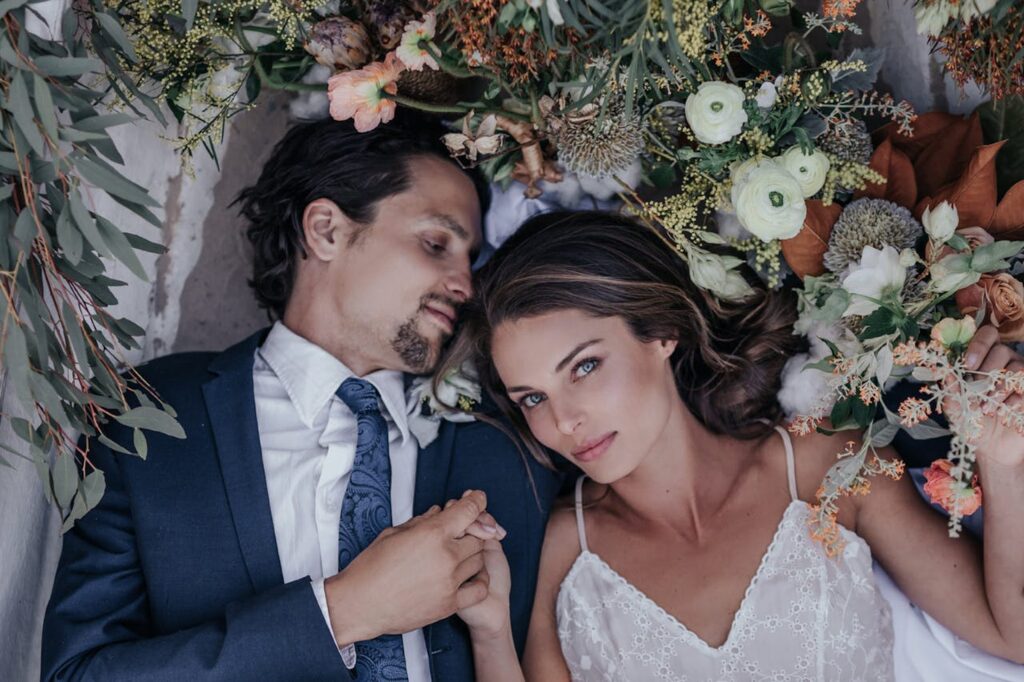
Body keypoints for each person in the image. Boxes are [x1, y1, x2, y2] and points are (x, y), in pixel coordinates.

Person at [40, 114, 562, 681]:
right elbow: (76, 674)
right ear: (327, 230)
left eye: (471, 260)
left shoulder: (510, 444)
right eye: (437, 243)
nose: (465, 285)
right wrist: (344, 611)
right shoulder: (152, 415)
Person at [442, 210, 1024, 680]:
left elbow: (1012, 636)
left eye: (585, 366)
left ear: (662, 333)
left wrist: (1000, 464)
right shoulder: (563, 550)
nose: (564, 420)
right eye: (532, 398)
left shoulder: (830, 464)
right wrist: (491, 635)